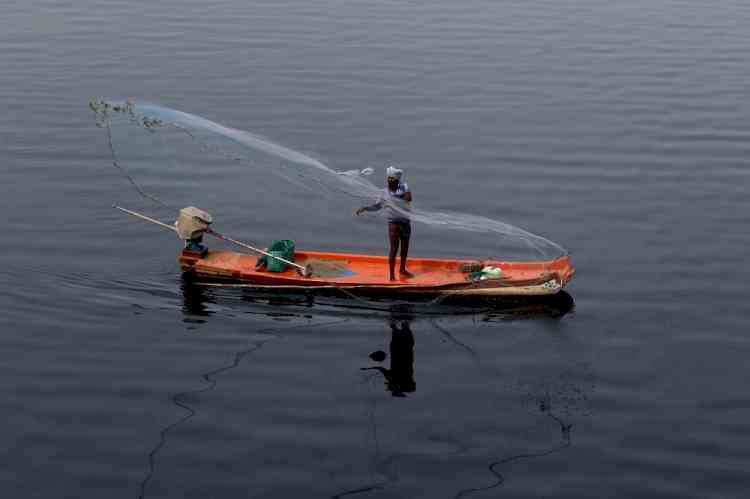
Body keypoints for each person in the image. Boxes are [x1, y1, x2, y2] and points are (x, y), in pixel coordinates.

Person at [355, 166, 413, 281]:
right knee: (394, 248)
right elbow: (377, 206)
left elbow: (408, 198)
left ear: (397, 180)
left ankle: (402, 269)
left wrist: (394, 197)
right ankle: (392, 275)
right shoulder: (384, 192)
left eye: (393, 179)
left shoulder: (404, 187)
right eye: (389, 179)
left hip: (405, 222)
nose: (390, 181)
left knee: (405, 247)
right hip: (393, 223)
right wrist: (365, 208)